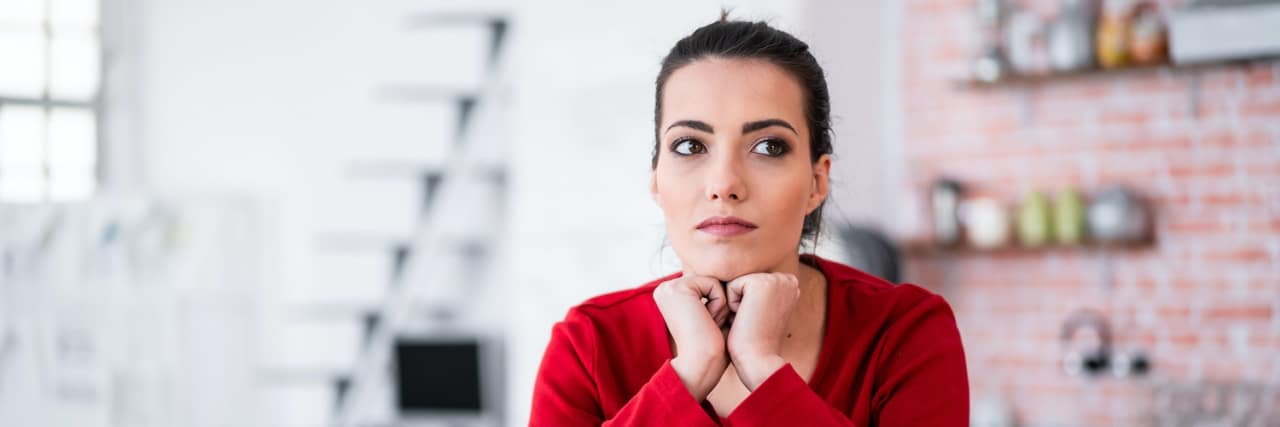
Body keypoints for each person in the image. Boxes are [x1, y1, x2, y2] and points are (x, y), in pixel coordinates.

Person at [530, 15, 969, 426]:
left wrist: (762, 366)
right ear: (657, 181)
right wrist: (690, 371)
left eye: (769, 147)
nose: (724, 184)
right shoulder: (588, 344)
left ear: (817, 182)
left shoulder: (905, 332)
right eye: (689, 146)